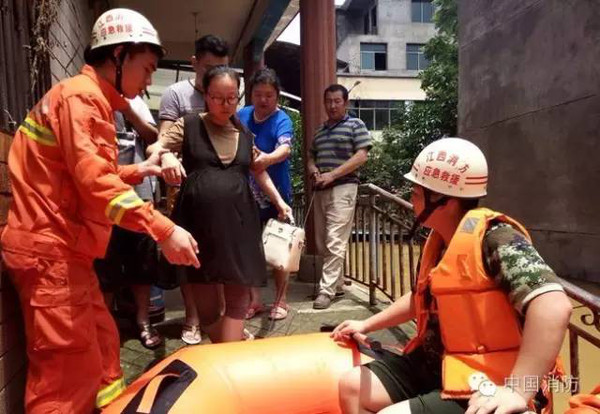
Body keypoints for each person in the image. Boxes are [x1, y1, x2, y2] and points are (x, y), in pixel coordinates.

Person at [0, 9, 199, 413]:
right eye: (146, 69)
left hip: (64, 254)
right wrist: (164, 229)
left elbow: (80, 173)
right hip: (51, 254)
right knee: (64, 376)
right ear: (119, 55)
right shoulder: (82, 98)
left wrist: (136, 170)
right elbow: (93, 183)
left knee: (105, 350)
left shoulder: (87, 100)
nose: (147, 82)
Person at [331, 137, 572, 414]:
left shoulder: (497, 239)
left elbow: (554, 305)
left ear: (442, 201)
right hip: (440, 363)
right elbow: (422, 298)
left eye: (417, 193)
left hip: (487, 378)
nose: (411, 199)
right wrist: (366, 324)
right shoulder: (443, 240)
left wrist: (517, 390)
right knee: (352, 387)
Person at [149, 66, 292, 343]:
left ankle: (230, 349)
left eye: (230, 99)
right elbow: (155, 148)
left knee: (238, 296)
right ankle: (227, 346)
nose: (224, 105)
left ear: (237, 98)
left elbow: (258, 169)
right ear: (206, 96)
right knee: (205, 296)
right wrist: (165, 156)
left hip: (239, 227)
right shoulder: (189, 125)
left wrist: (280, 202)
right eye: (217, 98)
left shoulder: (244, 135)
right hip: (199, 226)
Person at [158, 34, 229, 345]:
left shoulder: (226, 94)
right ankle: (193, 317)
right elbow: (163, 140)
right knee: (190, 254)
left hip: (220, 192)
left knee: (220, 255)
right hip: (185, 190)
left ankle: (222, 320)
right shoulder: (176, 94)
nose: (216, 75)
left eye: (222, 68)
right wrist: (168, 158)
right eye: (210, 67)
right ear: (195, 63)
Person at [94, 95, 163, 349]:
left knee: (143, 265)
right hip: (103, 200)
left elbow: (153, 136)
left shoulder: (135, 102)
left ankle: (143, 320)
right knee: (105, 265)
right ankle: (105, 326)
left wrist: (127, 109)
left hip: (139, 196)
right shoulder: (91, 102)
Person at [308, 84, 372, 310]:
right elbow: (311, 157)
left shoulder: (356, 124)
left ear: (345, 103)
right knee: (323, 241)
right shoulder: (320, 130)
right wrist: (315, 171)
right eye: (329, 101)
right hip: (321, 189)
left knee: (335, 239)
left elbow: (362, 155)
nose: (332, 105)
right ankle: (336, 286)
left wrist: (332, 175)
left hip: (344, 187)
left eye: (337, 101)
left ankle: (325, 291)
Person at [238, 68, 294, 321]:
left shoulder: (282, 120)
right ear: (250, 94)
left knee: (281, 250)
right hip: (247, 196)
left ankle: (281, 300)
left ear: (277, 97)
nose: (263, 100)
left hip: (277, 195)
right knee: (250, 249)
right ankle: (255, 300)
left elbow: (285, 148)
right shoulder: (242, 115)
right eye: (258, 94)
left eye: (269, 95)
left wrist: (266, 159)